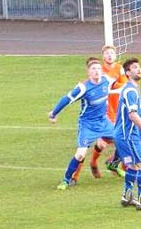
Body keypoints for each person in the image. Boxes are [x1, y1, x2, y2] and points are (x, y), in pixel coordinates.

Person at [50, 57, 114, 190]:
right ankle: (66, 179)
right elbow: (66, 99)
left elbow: (121, 82)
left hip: (103, 121)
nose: (97, 71)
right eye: (93, 69)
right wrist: (54, 113)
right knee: (80, 154)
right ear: (88, 72)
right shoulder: (83, 88)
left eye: (98, 68)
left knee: (123, 140)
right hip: (87, 124)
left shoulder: (107, 80)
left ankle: (114, 164)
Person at [71, 45, 126, 183]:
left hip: (116, 108)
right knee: (87, 145)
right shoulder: (98, 69)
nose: (109, 55)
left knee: (112, 141)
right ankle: (75, 175)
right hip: (103, 110)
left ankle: (103, 163)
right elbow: (90, 85)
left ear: (115, 55)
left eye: (112, 53)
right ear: (103, 56)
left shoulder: (119, 68)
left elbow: (124, 83)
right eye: (107, 53)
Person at [114, 58, 141, 210]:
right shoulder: (131, 90)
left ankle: (127, 196)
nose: (139, 69)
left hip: (123, 135)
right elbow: (132, 115)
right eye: (134, 67)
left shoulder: (131, 89)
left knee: (133, 166)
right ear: (128, 73)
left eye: (139, 66)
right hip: (129, 136)